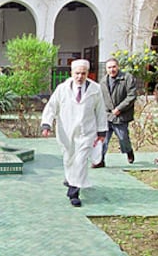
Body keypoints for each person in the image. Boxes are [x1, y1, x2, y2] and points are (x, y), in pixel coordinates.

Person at [41, 59, 107, 207]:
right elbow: (52, 107)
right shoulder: (62, 88)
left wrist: (101, 131)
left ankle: (73, 192)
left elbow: (100, 111)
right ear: (71, 73)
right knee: (69, 158)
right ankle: (70, 178)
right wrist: (46, 124)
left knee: (81, 160)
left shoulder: (95, 89)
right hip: (66, 130)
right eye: (77, 73)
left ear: (87, 74)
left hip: (87, 131)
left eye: (83, 73)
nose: (80, 76)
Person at [92, 58, 137, 168]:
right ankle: (99, 160)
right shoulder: (102, 81)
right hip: (106, 116)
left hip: (121, 116)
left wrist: (119, 109)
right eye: (109, 67)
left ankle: (129, 151)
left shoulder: (127, 78)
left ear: (118, 67)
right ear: (106, 69)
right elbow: (99, 98)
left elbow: (131, 96)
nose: (112, 69)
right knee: (103, 139)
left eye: (114, 67)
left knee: (123, 138)